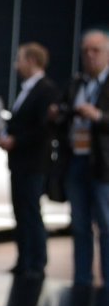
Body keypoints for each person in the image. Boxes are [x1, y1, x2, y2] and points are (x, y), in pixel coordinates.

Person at [0, 43, 60, 280]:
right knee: (21, 213)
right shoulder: (28, 90)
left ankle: (37, 262)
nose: (16, 64)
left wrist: (16, 141)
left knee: (31, 213)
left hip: (33, 163)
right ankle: (24, 261)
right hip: (20, 163)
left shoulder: (46, 90)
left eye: (20, 59)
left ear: (32, 60)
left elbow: (43, 130)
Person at [51, 29, 109, 286]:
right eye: (86, 50)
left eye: (96, 50)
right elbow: (62, 112)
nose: (90, 55)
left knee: (106, 226)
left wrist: (98, 117)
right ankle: (82, 282)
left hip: (103, 165)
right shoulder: (76, 83)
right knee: (79, 226)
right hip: (75, 159)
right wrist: (59, 113)